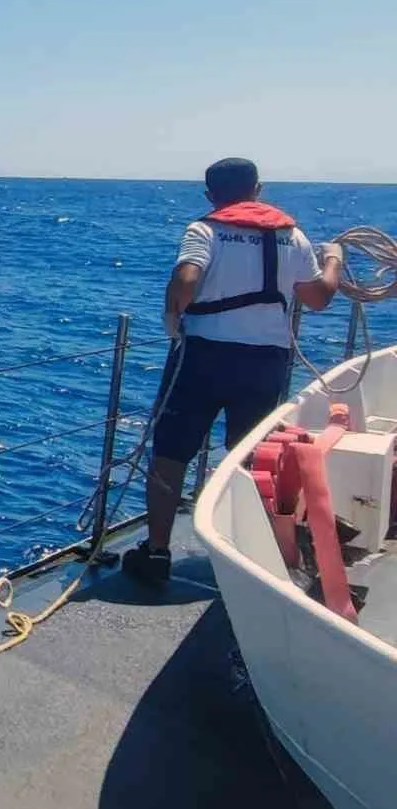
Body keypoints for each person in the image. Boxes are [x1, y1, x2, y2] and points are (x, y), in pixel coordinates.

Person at [122, 157, 342, 588]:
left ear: (210, 196)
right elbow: (318, 298)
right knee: (252, 457)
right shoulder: (291, 236)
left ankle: (156, 552)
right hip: (264, 363)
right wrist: (333, 259)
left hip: (203, 358)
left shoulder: (205, 230)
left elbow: (186, 278)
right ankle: (253, 553)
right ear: (258, 189)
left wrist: (172, 318)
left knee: (169, 454)